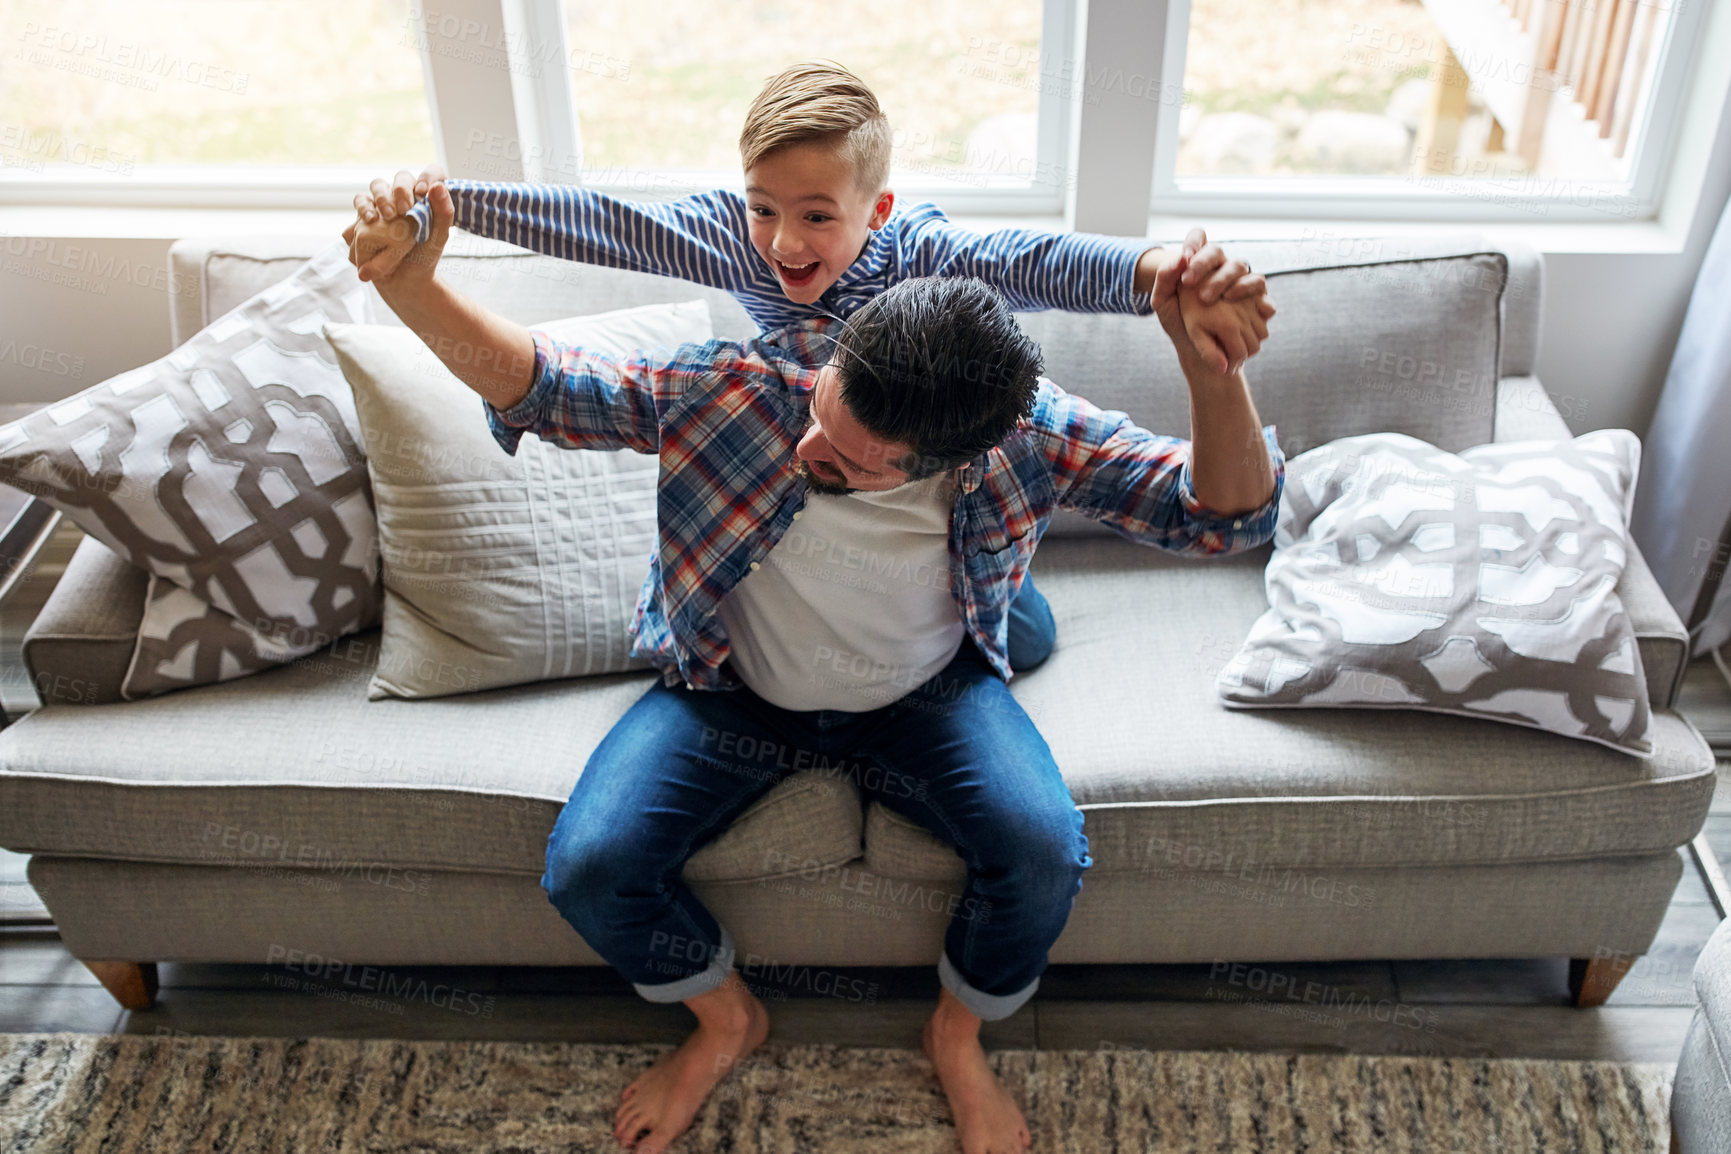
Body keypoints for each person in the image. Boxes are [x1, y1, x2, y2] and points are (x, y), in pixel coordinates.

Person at [345, 175, 1284, 1154]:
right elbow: (543, 384)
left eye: (845, 459)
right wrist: (409, 284)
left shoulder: (1027, 432)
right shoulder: (748, 387)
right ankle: (727, 1019)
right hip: (736, 692)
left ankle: (955, 1034)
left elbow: (1223, 518)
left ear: (947, 457)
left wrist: (1214, 370)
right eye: (820, 412)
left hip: (925, 691)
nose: (806, 447)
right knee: (591, 865)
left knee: (1043, 849)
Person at [345, 60, 1274, 674]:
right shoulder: (738, 256)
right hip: (803, 438)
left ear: (878, 208)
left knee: (1006, 627)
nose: (784, 244)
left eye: (818, 216)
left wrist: (1160, 273)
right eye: (762, 208)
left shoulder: (923, 256)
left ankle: (996, 595)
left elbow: (1037, 262)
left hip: (929, 470)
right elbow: (596, 221)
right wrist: (442, 206)